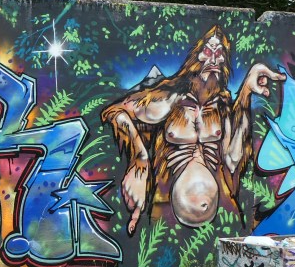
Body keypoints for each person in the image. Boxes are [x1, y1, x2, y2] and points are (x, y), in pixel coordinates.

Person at [102, 27, 285, 233]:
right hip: (165, 208)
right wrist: (140, 158)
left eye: (219, 53)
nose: (214, 59)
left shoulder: (222, 106)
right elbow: (115, 112)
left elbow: (233, 160)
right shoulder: (170, 99)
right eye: (208, 51)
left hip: (221, 214)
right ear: (195, 57)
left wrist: (245, 93)